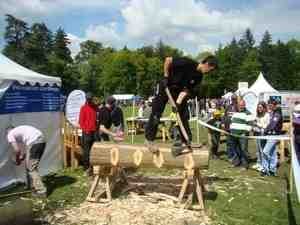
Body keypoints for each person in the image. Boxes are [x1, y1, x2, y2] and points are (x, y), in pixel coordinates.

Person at [145, 55, 218, 156]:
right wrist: (166, 76)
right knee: (157, 112)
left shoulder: (199, 77)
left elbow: (186, 90)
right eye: (210, 70)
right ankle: (149, 140)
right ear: (207, 64)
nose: (209, 72)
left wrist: (178, 104)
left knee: (183, 114)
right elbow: (168, 60)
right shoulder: (187, 62)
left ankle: (186, 140)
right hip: (165, 86)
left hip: (177, 91)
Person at [6, 125, 47, 196]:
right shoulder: (20, 130)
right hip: (41, 140)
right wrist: (23, 156)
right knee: (29, 165)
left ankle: (41, 191)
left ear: (8, 131)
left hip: (35, 142)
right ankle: (31, 187)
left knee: (31, 168)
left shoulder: (10, 134)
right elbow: (29, 147)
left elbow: (17, 150)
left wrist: (17, 160)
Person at [229, 99, 255, 170]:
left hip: (242, 135)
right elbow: (232, 121)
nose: (241, 106)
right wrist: (231, 129)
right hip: (234, 134)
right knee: (236, 149)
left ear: (245, 105)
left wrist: (244, 133)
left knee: (243, 150)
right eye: (240, 105)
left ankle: (245, 165)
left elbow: (250, 125)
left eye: (242, 105)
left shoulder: (248, 113)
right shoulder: (235, 112)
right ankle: (236, 162)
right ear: (238, 105)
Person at [260, 99, 283, 176]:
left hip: (274, 135)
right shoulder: (272, 112)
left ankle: (265, 169)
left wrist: (265, 130)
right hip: (270, 135)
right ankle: (272, 170)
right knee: (273, 153)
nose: (269, 106)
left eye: (271, 105)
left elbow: (273, 124)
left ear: (275, 105)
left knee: (265, 151)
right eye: (269, 105)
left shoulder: (277, 113)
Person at [79, 92, 97, 173]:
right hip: (87, 133)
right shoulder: (83, 108)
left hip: (94, 132)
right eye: (88, 99)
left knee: (94, 150)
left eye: (90, 99)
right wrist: (85, 130)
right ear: (86, 99)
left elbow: (97, 117)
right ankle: (86, 168)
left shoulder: (95, 107)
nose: (90, 100)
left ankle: (93, 166)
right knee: (86, 151)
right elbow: (81, 122)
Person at [252, 101, 270, 171]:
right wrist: (253, 127)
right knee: (257, 149)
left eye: (260, 107)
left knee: (262, 149)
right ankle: (258, 163)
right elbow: (255, 123)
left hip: (263, 134)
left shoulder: (267, 115)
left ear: (264, 108)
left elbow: (266, 126)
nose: (259, 108)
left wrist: (258, 125)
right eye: (258, 107)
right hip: (256, 133)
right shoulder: (257, 115)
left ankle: (263, 164)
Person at [223, 94, 239, 161]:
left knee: (235, 143)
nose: (233, 100)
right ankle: (229, 156)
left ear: (236, 99)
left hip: (235, 128)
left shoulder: (238, 107)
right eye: (232, 99)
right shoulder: (228, 107)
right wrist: (223, 123)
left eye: (235, 99)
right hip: (228, 127)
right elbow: (224, 116)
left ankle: (235, 156)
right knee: (229, 142)